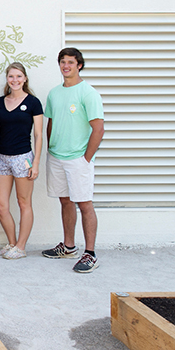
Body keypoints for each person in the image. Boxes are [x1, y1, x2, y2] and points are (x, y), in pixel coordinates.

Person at [42, 47, 105, 273]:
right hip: (57, 157)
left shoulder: (88, 93)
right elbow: (51, 122)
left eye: (70, 62)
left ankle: (90, 254)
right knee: (65, 201)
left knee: (84, 204)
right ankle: (68, 247)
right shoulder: (54, 93)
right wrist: (50, 149)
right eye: (62, 62)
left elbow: (98, 128)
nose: (65, 66)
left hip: (78, 159)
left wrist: (86, 158)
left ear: (79, 65)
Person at [0, 62, 44, 260]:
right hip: (1, 158)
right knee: (1, 204)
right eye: (11, 76)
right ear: (7, 79)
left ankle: (21, 247)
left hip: (23, 158)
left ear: (25, 79)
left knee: (24, 203)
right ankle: (12, 243)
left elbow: (39, 135)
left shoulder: (33, 103)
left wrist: (36, 162)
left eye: (19, 76)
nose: (15, 80)